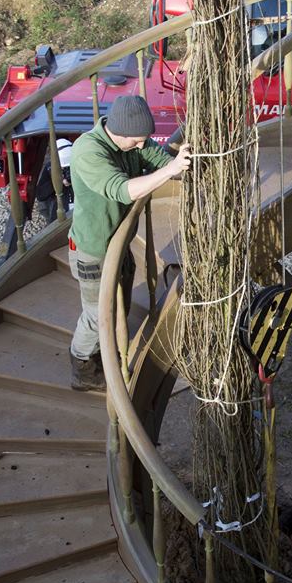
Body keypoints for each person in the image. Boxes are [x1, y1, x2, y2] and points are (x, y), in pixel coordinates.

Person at [68, 95, 191, 391]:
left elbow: (158, 158)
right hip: (93, 251)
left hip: (117, 245)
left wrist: (181, 165)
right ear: (117, 132)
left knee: (117, 301)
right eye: (136, 141)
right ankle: (82, 367)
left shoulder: (131, 140)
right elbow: (123, 190)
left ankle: (110, 341)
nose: (141, 146)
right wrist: (170, 171)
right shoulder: (88, 151)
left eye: (143, 140)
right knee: (98, 315)